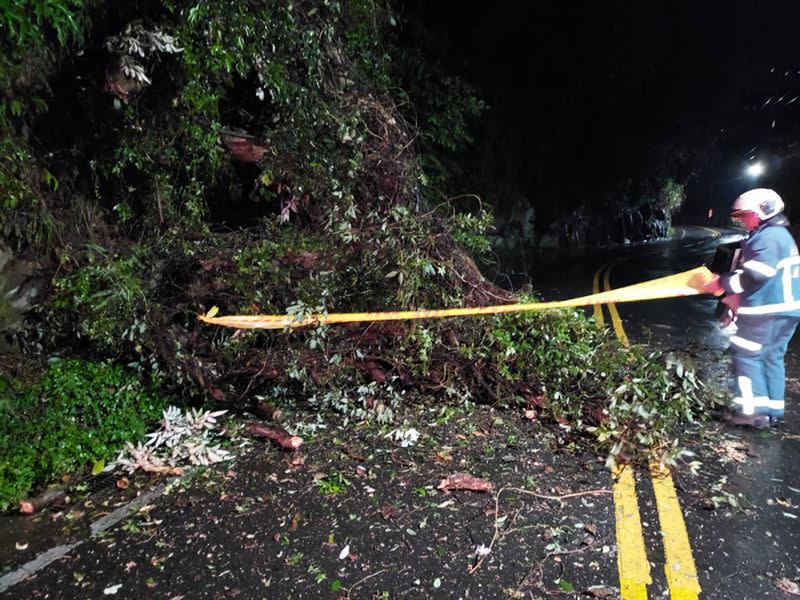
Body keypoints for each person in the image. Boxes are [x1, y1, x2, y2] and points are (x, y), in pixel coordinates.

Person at [703, 188, 800, 427]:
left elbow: (756, 275)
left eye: (744, 215)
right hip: (784, 312)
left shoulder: (768, 238)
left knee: (746, 356)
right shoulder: (778, 236)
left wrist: (721, 283)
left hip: (766, 312)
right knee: (770, 358)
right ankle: (771, 412)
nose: (741, 220)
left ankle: (751, 412)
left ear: (763, 211)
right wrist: (732, 304)